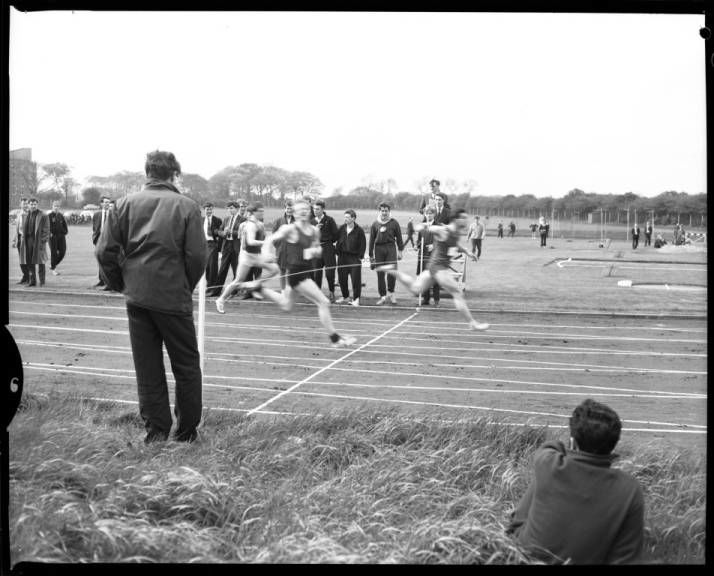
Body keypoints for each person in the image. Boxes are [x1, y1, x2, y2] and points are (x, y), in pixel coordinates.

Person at [96, 150, 207, 444]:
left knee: (147, 367)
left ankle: (156, 433)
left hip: (138, 297)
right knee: (186, 366)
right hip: (172, 297)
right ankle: (185, 433)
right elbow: (197, 257)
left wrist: (122, 283)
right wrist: (186, 285)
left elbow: (104, 251)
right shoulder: (187, 206)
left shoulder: (124, 204)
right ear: (174, 175)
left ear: (147, 173)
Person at [506, 399, 644, 564]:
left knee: (544, 480)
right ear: (613, 445)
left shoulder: (550, 463)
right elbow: (626, 557)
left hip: (523, 557)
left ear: (572, 441)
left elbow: (549, 447)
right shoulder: (629, 489)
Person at [241, 200, 356, 348]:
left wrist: (314, 251)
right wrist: (266, 254)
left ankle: (259, 289)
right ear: (294, 213)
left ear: (310, 211)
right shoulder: (289, 229)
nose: (302, 212)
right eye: (299, 210)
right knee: (323, 302)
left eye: (305, 209)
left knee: (286, 304)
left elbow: (318, 250)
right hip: (296, 274)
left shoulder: (315, 230)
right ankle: (335, 339)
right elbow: (270, 240)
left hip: (304, 272)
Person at [378, 209, 489, 331]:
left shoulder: (456, 232)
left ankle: (392, 271)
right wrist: (420, 227)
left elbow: (454, 245)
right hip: (439, 268)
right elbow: (429, 227)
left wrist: (467, 252)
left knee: (416, 288)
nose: (466, 220)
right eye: (463, 217)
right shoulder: (444, 230)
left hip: (434, 267)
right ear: (456, 219)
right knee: (457, 293)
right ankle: (472, 323)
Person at [215, 202, 280, 314]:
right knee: (238, 281)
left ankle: (255, 285)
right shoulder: (250, 225)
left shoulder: (260, 224)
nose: (262, 212)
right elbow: (250, 242)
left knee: (274, 269)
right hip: (247, 257)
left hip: (256, 256)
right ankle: (220, 299)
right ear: (253, 212)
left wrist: (266, 254)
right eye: (260, 211)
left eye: (263, 211)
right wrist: (266, 242)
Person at [368, 202, 404, 305]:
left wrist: (400, 251)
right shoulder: (375, 224)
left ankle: (391, 293)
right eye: (382, 211)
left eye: (386, 211)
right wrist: (371, 255)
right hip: (378, 249)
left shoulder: (394, 223)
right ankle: (383, 296)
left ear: (389, 211)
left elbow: (399, 238)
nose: (384, 213)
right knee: (380, 273)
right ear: (379, 211)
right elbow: (371, 240)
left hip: (391, 248)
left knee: (392, 271)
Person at [208, 200, 246, 297]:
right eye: (228, 208)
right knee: (222, 270)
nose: (229, 210)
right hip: (226, 247)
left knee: (236, 270)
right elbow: (219, 231)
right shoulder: (226, 219)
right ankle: (216, 291)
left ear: (237, 209)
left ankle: (234, 291)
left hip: (236, 247)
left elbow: (243, 233)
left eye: (231, 208)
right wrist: (223, 233)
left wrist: (231, 232)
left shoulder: (243, 220)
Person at [335, 209, 366, 306]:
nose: (345, 219)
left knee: (356, 280)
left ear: (353, 218)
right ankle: (345, 297)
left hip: (354, 258)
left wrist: (360, 256)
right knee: (342, 279)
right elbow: (336, 239)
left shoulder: (359, 230)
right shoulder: (341, 228)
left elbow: (363, 244)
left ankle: (356, 299)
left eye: (348, 217)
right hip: (342, 257)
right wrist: (337, 251)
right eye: (345, 217)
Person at [313, 199, 339, 303]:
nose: (315, 211)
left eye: (317, 209)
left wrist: (328, 242)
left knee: (329, 273)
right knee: (316, 273)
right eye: (314, 209)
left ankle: (331, 292)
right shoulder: (311, 222)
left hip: (328, 248)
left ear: (323, 209)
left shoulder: (330, 220)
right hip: (316, 249)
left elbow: (336, 235)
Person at [415, 205, 440, 306]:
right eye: (427, 213)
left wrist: (434, 246)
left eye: (431, 213)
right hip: (423, 255)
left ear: (434, 214)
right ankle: (426, 299)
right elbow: (419, 240)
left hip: (434, 256)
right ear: (425, 214)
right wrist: (417, 246)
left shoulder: (438, 226)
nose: (429, 215)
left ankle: (436, 300)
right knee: (424, 277)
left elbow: (443, 241)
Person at [23, 197, 50, 287]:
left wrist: (43, 241)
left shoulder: (43, 215)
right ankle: (32, 281)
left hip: (38, 241)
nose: (33, 206)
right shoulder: (27, 214)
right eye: (31, 204)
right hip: (29, 241)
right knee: (30, 262)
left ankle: (42, 281)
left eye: (35, 204)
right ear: (29, 205)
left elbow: (46, 230)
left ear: (37, 205)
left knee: (41, 262)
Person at [272, 200, 295, 291]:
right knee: (282, 271)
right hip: (281, 251)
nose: (289, 210)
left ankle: (290, 290)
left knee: (291, 271)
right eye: (288, 208)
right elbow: (274, 236)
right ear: (285, 209)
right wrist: (279, 246)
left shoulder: (297, 221)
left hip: (293, 251)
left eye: (291, 208)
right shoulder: (278, 221)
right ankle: (283, 290)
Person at [202, 202, 223, 290]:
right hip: (204, 245)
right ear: (204, 210)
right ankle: (208, 285)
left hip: (213, 244)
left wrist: (220, 248)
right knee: (206, 266)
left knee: (213, 265)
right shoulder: (201, 220)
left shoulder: (217, 220)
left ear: (212, 210)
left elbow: (221, 235)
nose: (209, 211)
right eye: (207, 209)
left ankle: (213, 287)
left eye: (210, 209)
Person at [92, 196, 112, 288]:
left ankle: (109, 282)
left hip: (110, 240)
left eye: (108, 202)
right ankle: (101, 280)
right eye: (105, 202)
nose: (107, 204)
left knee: (108, 261)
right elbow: (95, 228)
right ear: (101, 203)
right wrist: (95, 239)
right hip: (99, 240)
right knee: (100, 260)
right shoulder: (96, 215)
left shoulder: (113, 214)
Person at [48, 200, 69, 276]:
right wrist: (49, 233)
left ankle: (52, 265)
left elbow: (64, 225)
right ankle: (54, 269)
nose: (56, 207)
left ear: (59, 207)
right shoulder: (49, 216)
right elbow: (46, 227)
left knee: (62, 252)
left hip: (61, 236)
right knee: (54, 253)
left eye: (58, 206)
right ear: (52, 206)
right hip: (52, 237)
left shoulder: (61, 215)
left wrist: (65, 232)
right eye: (55, 206)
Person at [12, 197, 29, 284]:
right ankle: (25, 277)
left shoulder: (30, 214)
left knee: (26, 259)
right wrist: (14, 240)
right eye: (23, 203)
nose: (25, 205)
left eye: (26, 203)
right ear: (20, 204)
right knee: (21, 260)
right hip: (19, 239)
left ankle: (28, 277)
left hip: (27, 240)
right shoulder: (19, 214)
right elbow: (17, 228)